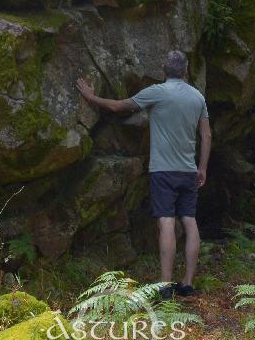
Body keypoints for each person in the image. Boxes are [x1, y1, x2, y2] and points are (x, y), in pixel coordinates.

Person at [75, 50, 211, 299]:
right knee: (189, 221)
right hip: (188, 170)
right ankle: (188, 282)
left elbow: (119, 106)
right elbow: (207, 135)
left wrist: (91, 97)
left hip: (163, 170)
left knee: (166, 222)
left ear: (164, 69)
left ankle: (165, 284)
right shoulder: (197, 97)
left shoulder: (156, 92)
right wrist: (202, 167)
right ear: (185, 70)